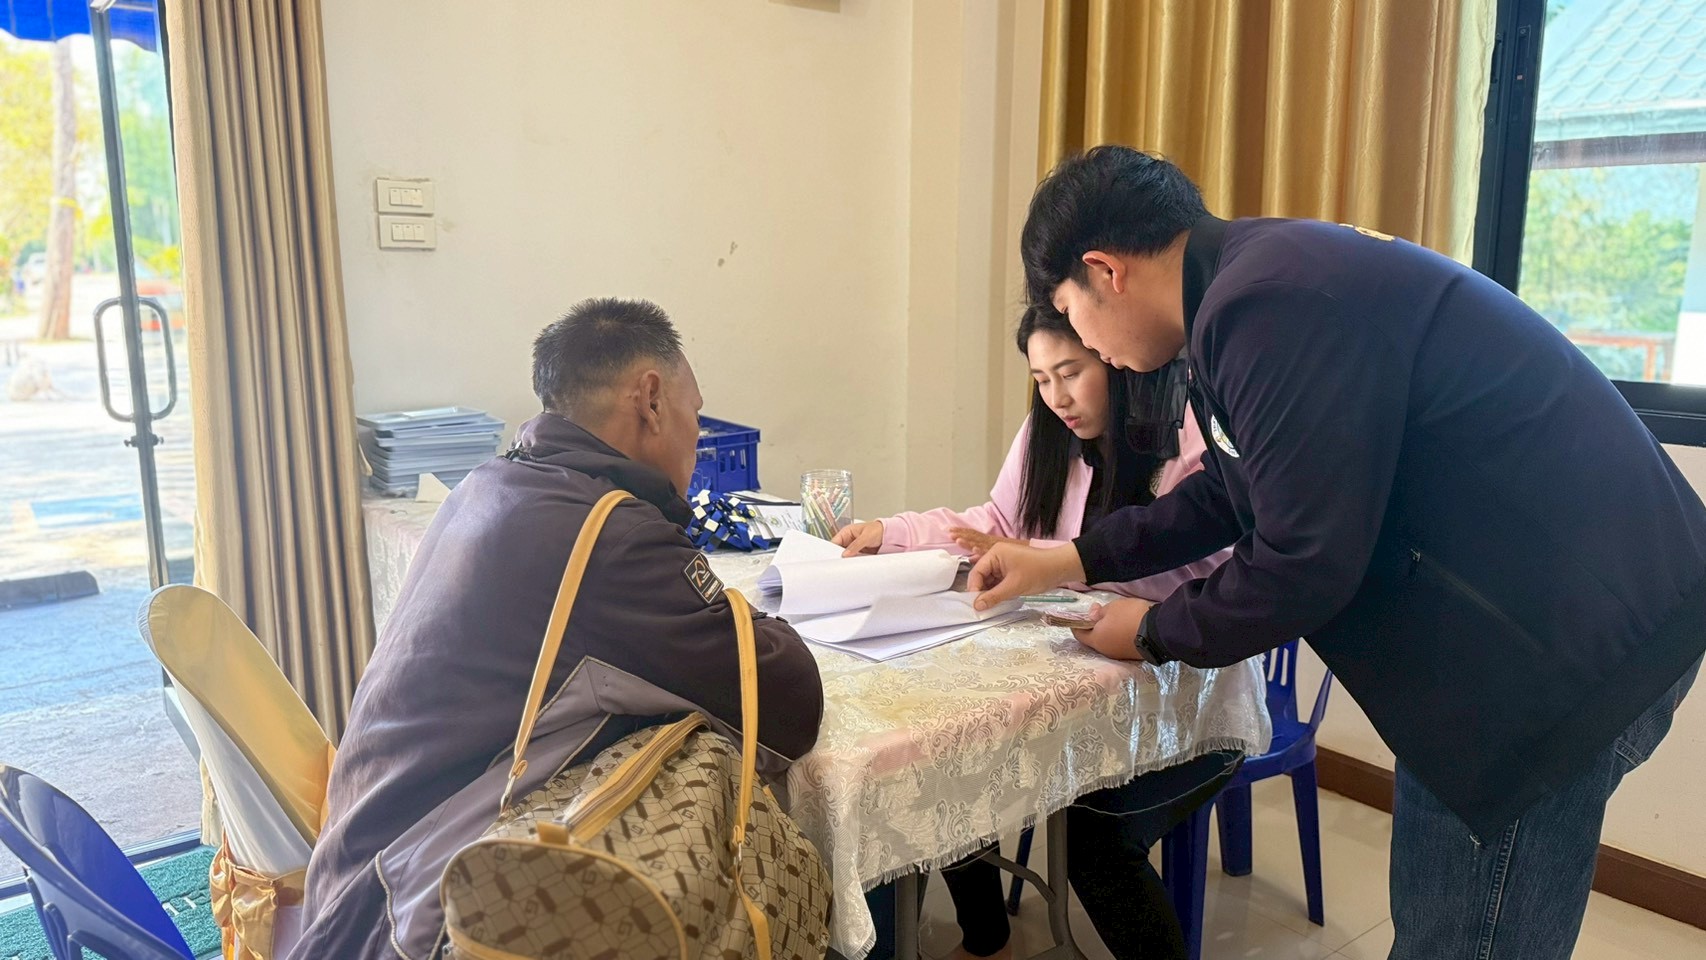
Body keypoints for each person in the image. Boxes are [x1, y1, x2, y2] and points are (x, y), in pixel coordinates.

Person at [969, 145, 1706, 958]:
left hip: (1561, 649)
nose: (1081, 341)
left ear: (1105, 271)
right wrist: (1067, 559)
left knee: (1462, 941)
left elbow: (1302, 561)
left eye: (1068, 314)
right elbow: (1229, 493)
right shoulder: (1243, 292)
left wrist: (1150, 630)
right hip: (1558, 620)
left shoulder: (1263, 306)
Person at [292, 298, 825, 960]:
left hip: (353, 870)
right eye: (696, 413)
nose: (697, 434)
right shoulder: (609, 535)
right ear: (650, 400)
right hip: (424, 916)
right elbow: (788, 701)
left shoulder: (492, 483)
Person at [836, 305, 1239, 960]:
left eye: (1071, 372)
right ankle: (986, 936)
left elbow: (1209, 572)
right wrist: (895, 532)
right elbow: (995, 523)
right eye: (1042, 379)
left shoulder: (1184, 433)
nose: (1057, 397)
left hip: (1187, 688)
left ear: (1116, 360)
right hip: (1087, 666)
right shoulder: (1047, 432)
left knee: (1092, 840)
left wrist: (1056, 561)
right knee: (946, 756)